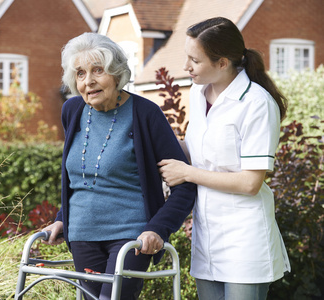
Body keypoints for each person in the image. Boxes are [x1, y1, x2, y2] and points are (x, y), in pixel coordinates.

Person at [42, 32, 196, 300]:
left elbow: (184, 185)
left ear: (116, 73)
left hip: (131, 237)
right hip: (82, 234)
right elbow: (82, 178)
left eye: (97, 70)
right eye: (80, 73)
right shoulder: (72, 110)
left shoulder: (145, 114)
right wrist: (62, 218)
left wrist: (158, 229)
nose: (88, 81)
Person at [158, 17, 291, 300]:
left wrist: (188, 173)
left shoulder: (257, 103)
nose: (186, 67)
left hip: (244, 239)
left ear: (222, 63)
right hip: (207, 237)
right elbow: (199, 152)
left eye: (195, 60)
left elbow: (250, 183)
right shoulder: (198, 93)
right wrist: (150, 143)